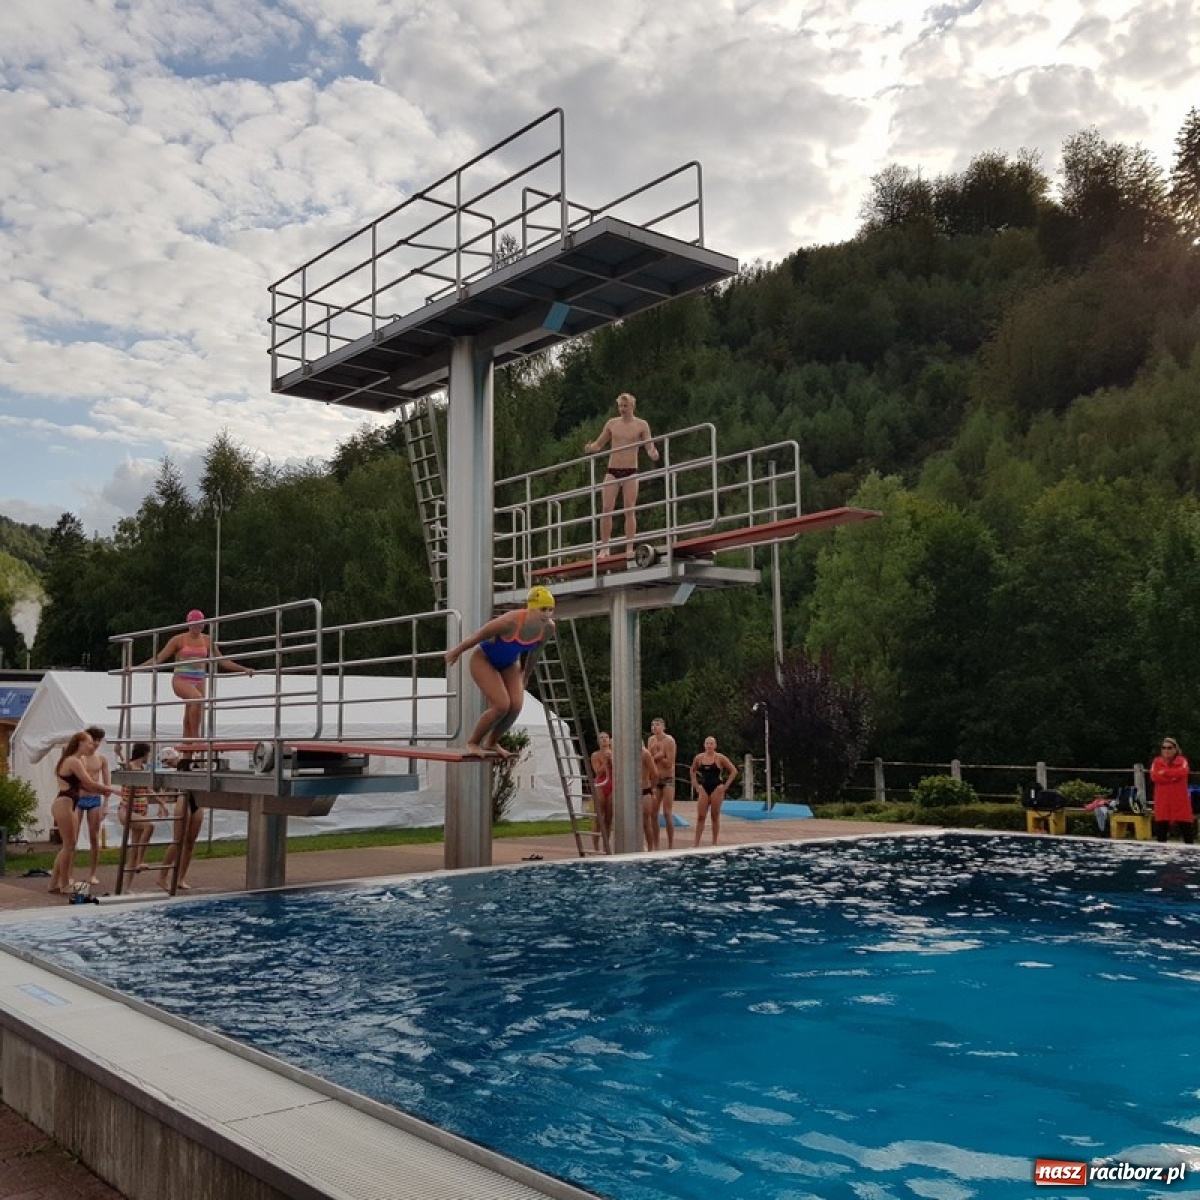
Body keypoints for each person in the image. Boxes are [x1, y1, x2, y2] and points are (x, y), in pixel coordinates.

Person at [445, 586, 556, 757]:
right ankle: (473, 742)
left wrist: (525, 676)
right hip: (484, 659)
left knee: (516, 706)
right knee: (501, 705)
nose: (547, 614)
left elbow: (536, 653)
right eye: (543, 609)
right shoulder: (510, 622)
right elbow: (479, 635)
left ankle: (492, 742)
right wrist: (457, 651)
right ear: (530, 608)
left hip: (510, 664)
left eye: (550, 610)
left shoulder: (548, 628)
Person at [143, 609, 254, 760]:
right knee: (197, 698)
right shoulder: (178, 640)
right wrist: (137, 668)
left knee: (191, 713)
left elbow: (222, 660)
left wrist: (243, 669)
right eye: (195, 624)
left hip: (199, 679)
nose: (198, 627)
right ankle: (196, 738)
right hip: (181, 679)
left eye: (200, 624)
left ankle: (187, 755)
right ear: (189, 624)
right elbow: (159, 658)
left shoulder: (208, 640)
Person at [584, 392, 660, 557]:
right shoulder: (612, 423)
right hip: (613, 470)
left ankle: (629, 547)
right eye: (620, 406)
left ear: (632, 406)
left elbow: (649, 445)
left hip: (631, 471)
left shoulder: (641, 425)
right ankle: (604, 547)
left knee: (629, 509)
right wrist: (591, 448)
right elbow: (600, 443)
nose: (622, 409)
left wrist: (653, 453)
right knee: (606, 509)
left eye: (625, 406)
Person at [48, 730, 120, 895]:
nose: (92, 745)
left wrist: (105, 793)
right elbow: (89, 783)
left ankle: (53, 883)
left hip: (69, 803)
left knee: (68, 846)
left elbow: (86, 786)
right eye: (89, 742)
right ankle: (65, 883)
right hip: (64, 803)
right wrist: (113, 790)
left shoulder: (75, 760)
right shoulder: (73, 761)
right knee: (69, 846)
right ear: (79, 743)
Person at [117, 742, 168, 884]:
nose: (149, 756)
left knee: (133, 850)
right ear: (144, 753)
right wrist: (119, 751)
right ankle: (141, 860)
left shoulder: (143, 768)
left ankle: (127, 887)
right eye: (149, 753)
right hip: (127, 810)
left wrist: (161, 803)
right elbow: (123, 764)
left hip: (140, 811)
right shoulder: (130, 766)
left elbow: (148, 790)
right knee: (149, 826)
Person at [76, 725, 112, 886]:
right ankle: (68, 872)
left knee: (94, 837)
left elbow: (107, 784)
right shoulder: (79, 758)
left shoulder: (101, 759)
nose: (96, 743)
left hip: (94, 799)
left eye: (99, 740)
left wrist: (106, 805)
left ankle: (92, 873)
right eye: (94, 740)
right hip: (78, 798)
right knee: (72, 838)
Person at [690, 736, 738, 847]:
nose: (709, 746)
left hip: (717, 788)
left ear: (715, 745)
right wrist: (696, 786)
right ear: (704, 745)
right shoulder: (699, 758)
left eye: (711, 744)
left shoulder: (720, 758)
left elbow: (733, 771)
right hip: (704, 788)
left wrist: (725, 786)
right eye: (707, 743)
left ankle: (714, 842)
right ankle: (696, 843)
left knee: (714, 815)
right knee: (701, 816)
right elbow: (692, 771)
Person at [1150, 736, 1195, 844]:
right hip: (1163, 804)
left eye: (1169, 748)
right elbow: (1154, 776)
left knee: (1188, 836)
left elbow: (1182, 772)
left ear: (1175, 749)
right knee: (1161, 837)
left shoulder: (1183, 761)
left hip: (1180, 803)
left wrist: (1164, 773)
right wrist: (1172, 777)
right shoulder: (1156, 762)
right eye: (1164, 748)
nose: (1166, 750)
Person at [159, 792, 203, 893]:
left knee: (190, 843)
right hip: (184, 797)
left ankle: (181, 878)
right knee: (178, 841)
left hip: (198, 800)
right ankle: (162, 877)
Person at [648, 716, 678, 850]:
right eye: (653, 725)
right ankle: (656, 844)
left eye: (658, 725)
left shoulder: (669, 741)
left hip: (667, 780)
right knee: (653, 813)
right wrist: (659, 755)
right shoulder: (651, 740)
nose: (655, 727)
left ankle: (671, 844)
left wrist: (658, 755)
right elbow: (648, 760)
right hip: (655, 780)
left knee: (667, 812)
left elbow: (669, 763)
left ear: (663, 727)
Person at [590, 730, 614, 849]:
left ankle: (606, 845)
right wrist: (605, 761)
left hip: (612, 785)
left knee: (608, 818)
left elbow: (618, 769)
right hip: (601, 784)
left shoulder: (614, 753)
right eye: (602, 738)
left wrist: (611, 759)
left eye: (606, 737)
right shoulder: (596, 755)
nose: (604, 739)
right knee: (598, 817)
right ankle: (595, 846)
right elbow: (597, 772)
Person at [640, 741, 658, 851]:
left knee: (645, 821)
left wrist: (652, 788)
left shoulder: (645, 754)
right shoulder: (625, 754)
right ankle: (640, 845)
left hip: (645, 790)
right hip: (634, 791)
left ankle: (650, 848)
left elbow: (654, 773)